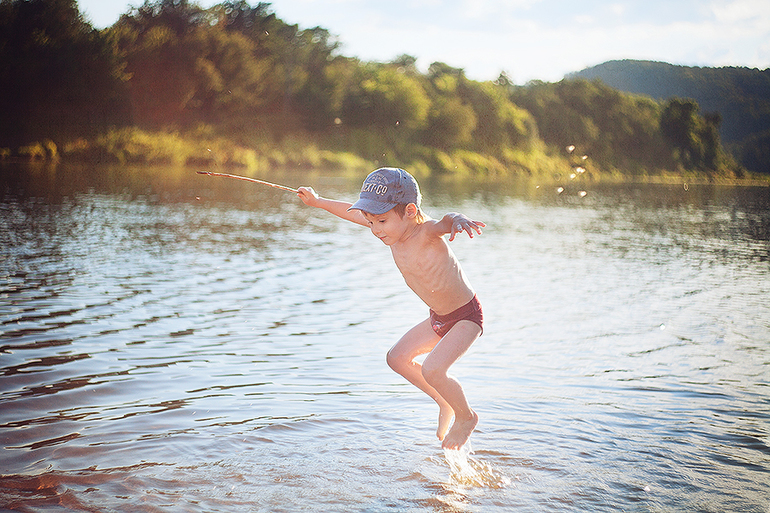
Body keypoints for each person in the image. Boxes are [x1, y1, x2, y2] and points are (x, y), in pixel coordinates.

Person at [296, 167, 485, 450]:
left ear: (410, 212)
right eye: (371, 222)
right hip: (439, 318)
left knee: (434, 369)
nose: (375, 230)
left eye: (381, 221)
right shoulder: (393, 232)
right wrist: (318, 201)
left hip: (465, 317)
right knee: (396, 358)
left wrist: (456, 219)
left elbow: (444, 222)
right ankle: (442, 400)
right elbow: (350, 213)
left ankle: (466, 416)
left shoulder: (425, 231)